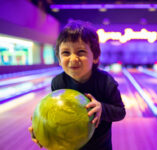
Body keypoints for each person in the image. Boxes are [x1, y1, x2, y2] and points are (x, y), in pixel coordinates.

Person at [29, 20, 126, 150]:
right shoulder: (58, 83)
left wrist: (102, 109)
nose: (73, 59)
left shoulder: (106, 82)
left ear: (95, 56)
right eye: (66, 53)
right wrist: (42, 130)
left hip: (100, 146)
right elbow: (54, 115)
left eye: (81, 52)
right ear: (59, 59)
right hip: (70, 145)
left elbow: (120, 112)